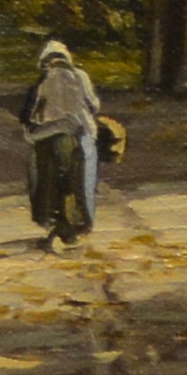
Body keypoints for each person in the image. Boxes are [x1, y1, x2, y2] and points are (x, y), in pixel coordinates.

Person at [18, 38, 108, 250]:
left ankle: (57, 224)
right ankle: (76, 226)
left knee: (51, 182)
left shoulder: (43, 81)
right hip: (81, 135)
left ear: (45, 62)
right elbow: (94, 105)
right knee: (81, 182)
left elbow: (28, 115)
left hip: (50, 137)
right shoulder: (81, 76)